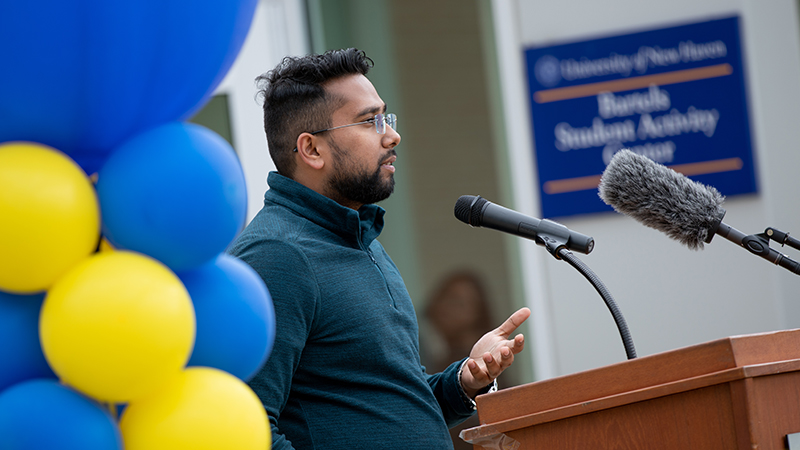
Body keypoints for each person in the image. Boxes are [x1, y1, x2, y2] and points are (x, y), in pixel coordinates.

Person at [227, 48, 530, 450]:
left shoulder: (359, 237)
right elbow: (245, 427)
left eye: (385, 117)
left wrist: (463, 381)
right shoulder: (278, 254)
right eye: (369, 121)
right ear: (311, 149)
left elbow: (388, 403)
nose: (391, 134)